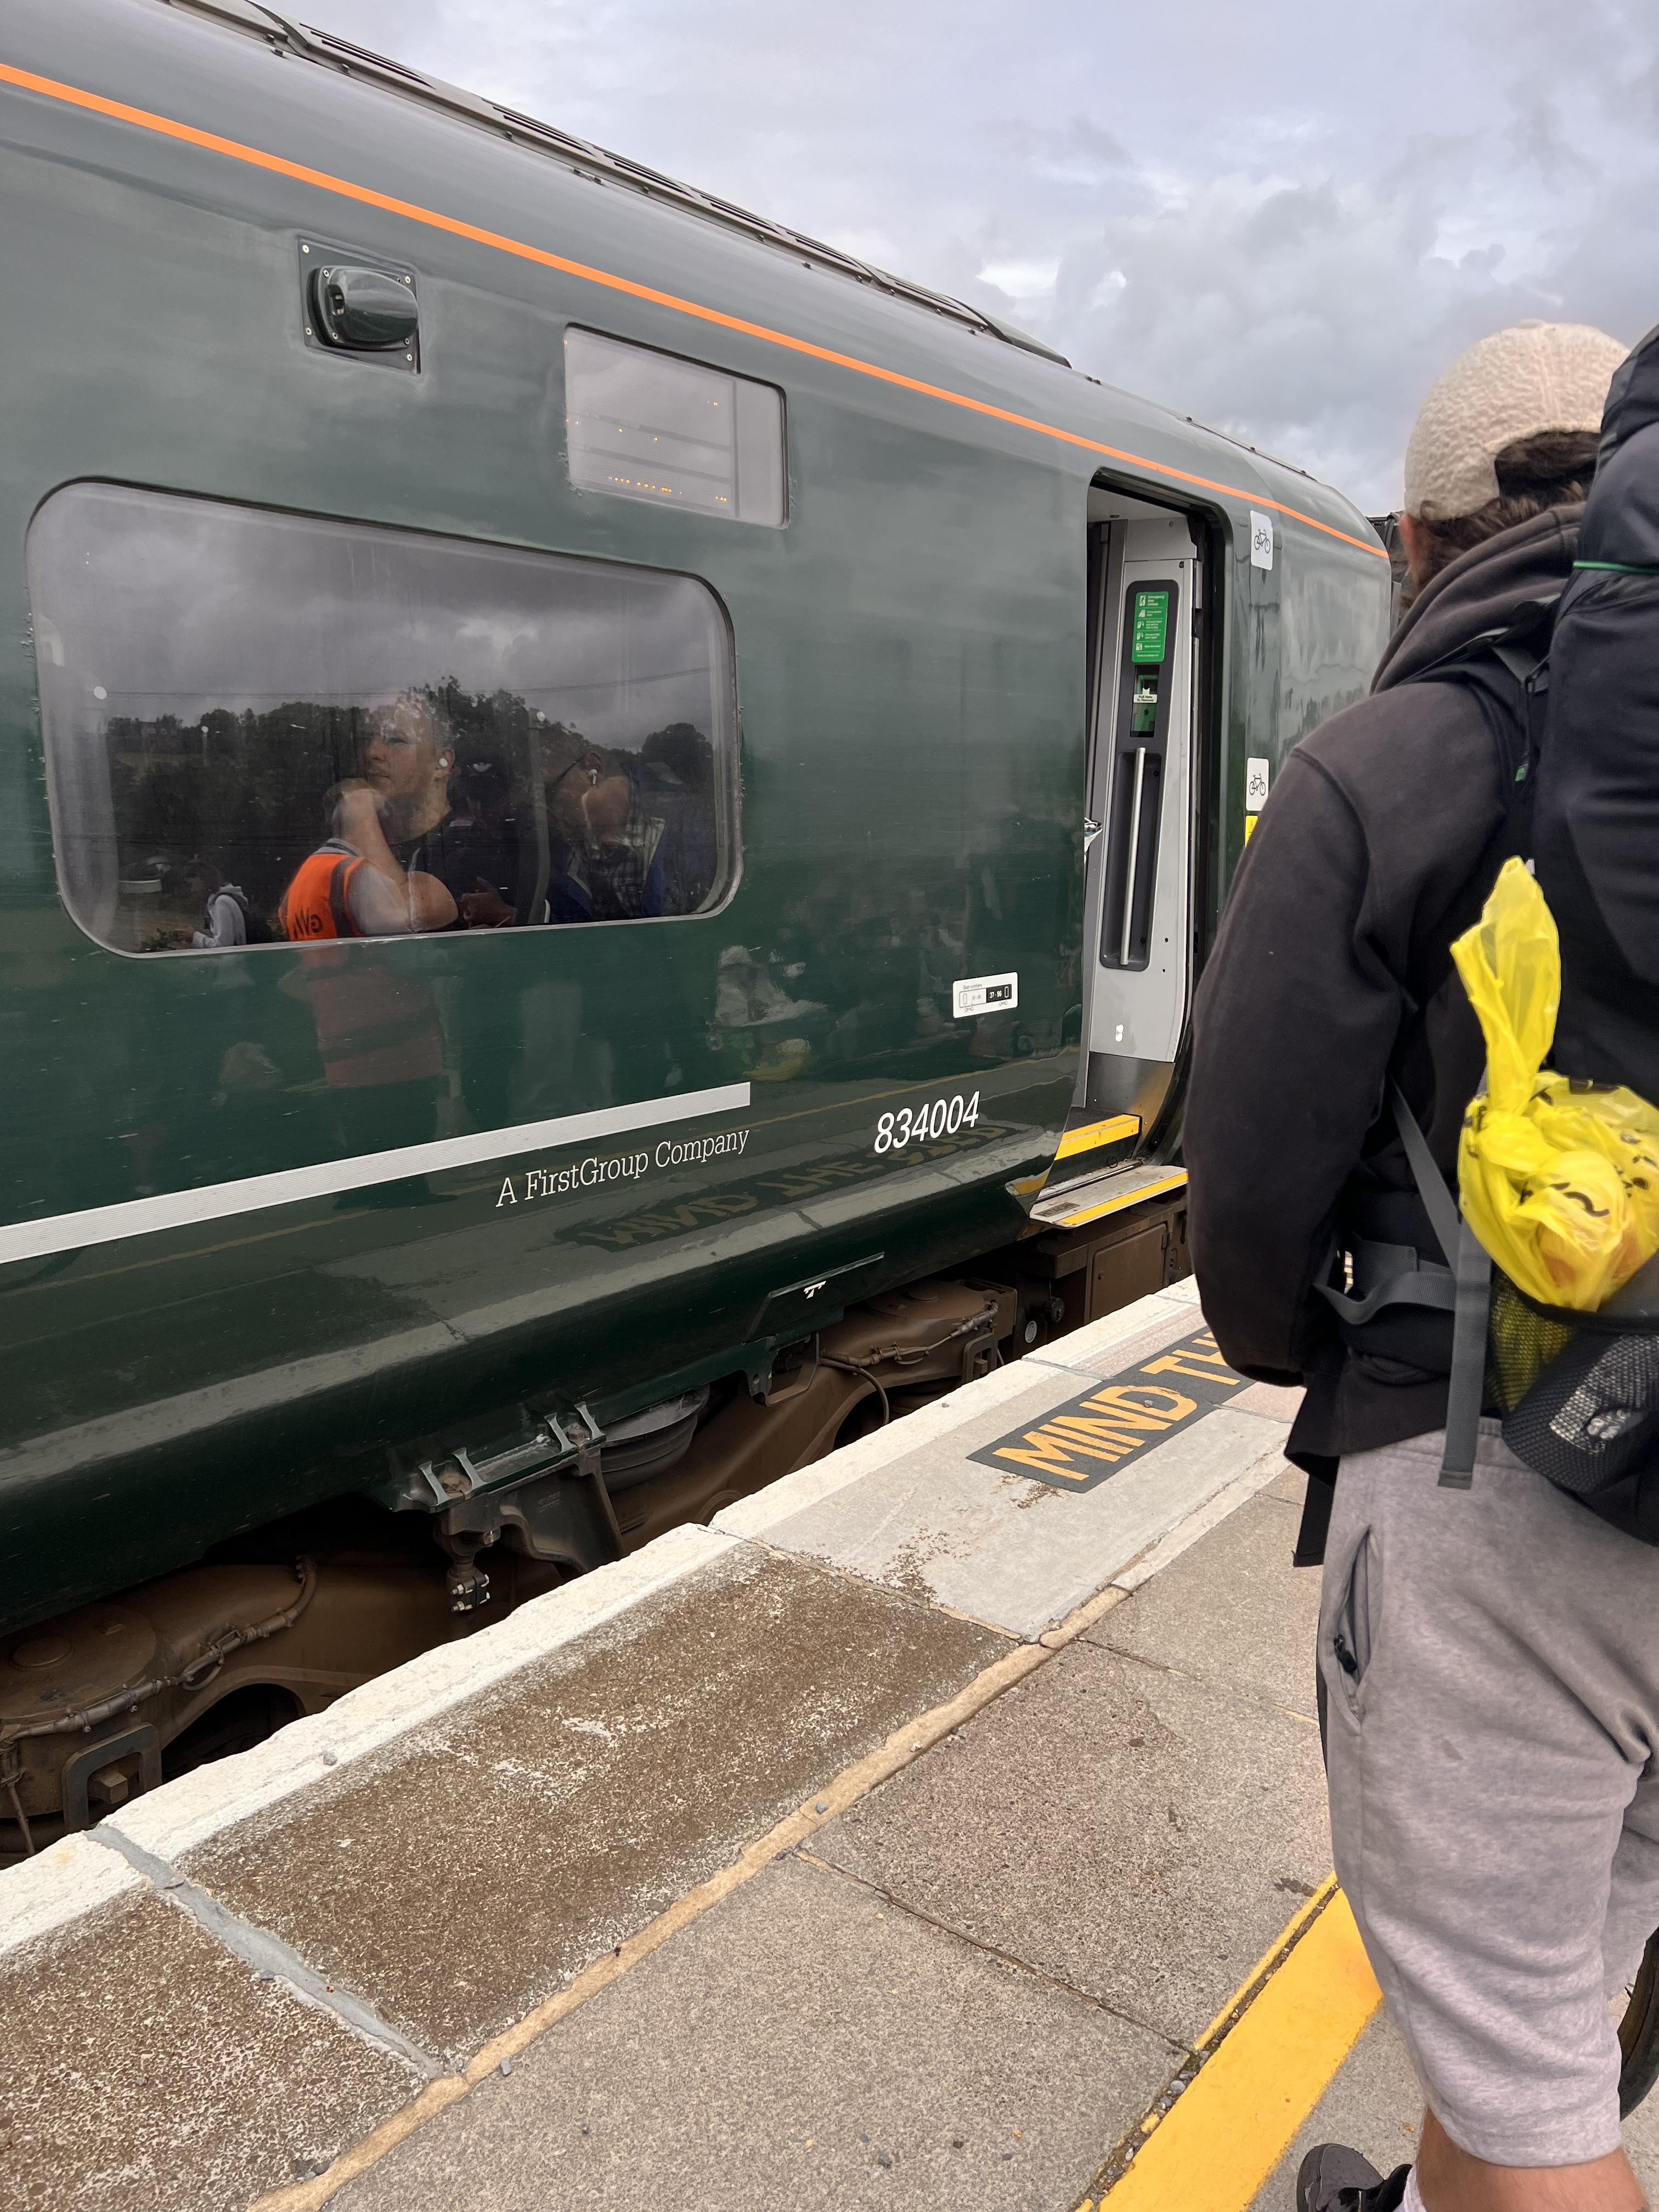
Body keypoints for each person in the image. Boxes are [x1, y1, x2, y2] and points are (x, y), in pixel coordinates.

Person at [1183, 323, 1645, 2212]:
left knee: (1517, 2043)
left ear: (1415, 539)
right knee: (1563, 1969)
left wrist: (1306, 1349)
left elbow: (1248, 1183)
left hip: (1506, 1484)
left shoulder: (1395, 757)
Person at [183, 859, 249, 949]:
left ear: (202, 879)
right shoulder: (219, 901)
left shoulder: (222, 903)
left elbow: (223, 945)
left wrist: (194, 937)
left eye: (191, 884)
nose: (192, 890)